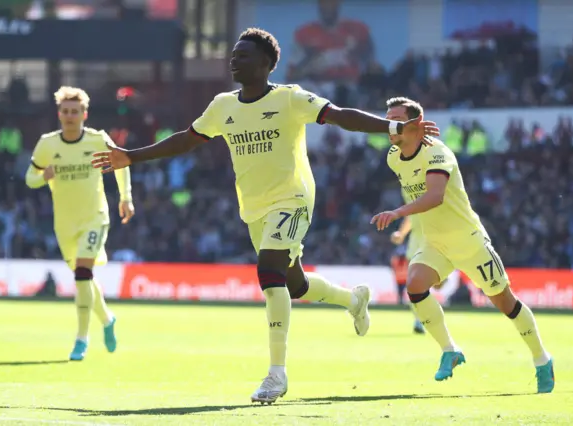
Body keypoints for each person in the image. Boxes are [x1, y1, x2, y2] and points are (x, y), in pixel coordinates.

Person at [91, 28, 439, 404]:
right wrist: (132, 156)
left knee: (268, 270)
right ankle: (353, 300)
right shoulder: (223, 105)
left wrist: (392, 127)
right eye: (234, 55)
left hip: (293, 199)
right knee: (294, 284)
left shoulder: (290, 98)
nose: (233, 60)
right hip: (253, 206)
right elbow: (186, 139)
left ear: (266, 64)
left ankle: (277, 374)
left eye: (243, 56)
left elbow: (340, 116)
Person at [372, 97, 554, 393]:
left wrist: (397, 213)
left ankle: (542, 359)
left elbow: (435, 196)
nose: (390, 124)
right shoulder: (393, 156)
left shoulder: (438, 153)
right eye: (388, 118)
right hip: (435, 243)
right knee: (415, 285)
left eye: (397, 118)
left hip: (469, 241)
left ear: (416, 124)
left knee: (505, 303)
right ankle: (450, 350)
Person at [25, 86, 135, 361]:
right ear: (59, 114)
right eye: (66, 111)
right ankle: (108, 319)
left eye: (75, 111)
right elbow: (30, 178)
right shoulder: (48, 144)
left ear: (84, 114)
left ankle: (81, 339)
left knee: (83, 273)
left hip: (94, 218)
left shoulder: (97, 139)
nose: (70, 116)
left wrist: (126, 198)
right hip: (64, 223)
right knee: (83, 278)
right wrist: (44, 176)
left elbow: (121, 162)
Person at [390, 209, 424, 334]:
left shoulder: (438, 199)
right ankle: (419, 321)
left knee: (432, 286)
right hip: (415, 251)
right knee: (416, 288)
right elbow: (411, 218)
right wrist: (401, 234)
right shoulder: (416, 200)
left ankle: (422, 320)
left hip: (435, 248)